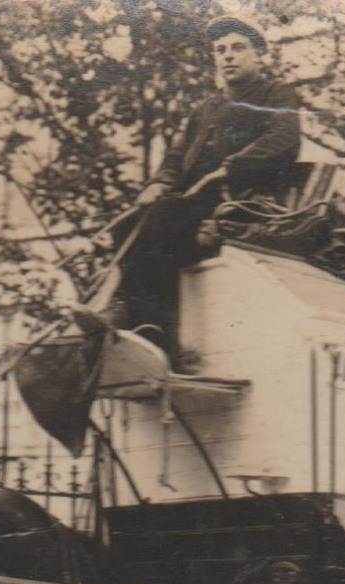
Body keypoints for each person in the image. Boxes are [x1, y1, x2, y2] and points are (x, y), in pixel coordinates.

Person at [75, 14, 302, 353]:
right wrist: (159, 183)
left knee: (162, 219)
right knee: (129, 226)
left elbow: (284, 137)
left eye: (238, 48)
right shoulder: (205, 109)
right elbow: (176, 157)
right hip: (191, 204)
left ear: (258, 55)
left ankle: (151, 330)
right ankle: (138, 319)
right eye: (220, 49)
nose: (227, 56)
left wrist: (231, 167)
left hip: (243, 201)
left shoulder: (276, 95)